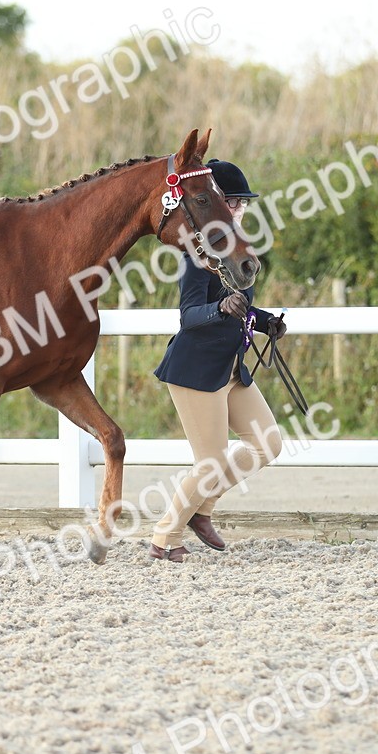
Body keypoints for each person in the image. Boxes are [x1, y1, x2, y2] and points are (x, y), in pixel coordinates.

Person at [149, 159, 287, 562]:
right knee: (209, 463)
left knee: (267, 443)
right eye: (233, 201)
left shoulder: (239, 246)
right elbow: (189, 315)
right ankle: (164, 537)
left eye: (243, 202)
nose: (239, 209)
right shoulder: (197, 252)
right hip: (196, 369)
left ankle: (201, 508)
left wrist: (265, 321)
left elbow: (240, 305)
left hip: (230, 368)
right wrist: (219, 308)